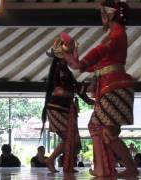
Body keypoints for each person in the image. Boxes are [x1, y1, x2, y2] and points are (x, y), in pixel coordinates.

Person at [64, 0, 138, 177]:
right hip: (110, 86)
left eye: (103, 14)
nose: (102, 18)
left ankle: (123, 168)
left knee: (104, 130)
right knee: (100, 128)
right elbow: (100, 61)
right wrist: (82, 64)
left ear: (109, 15)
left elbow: (102, 51)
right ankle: (103, 168)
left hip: (114, 87)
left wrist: (82, 63)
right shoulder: (114, 34)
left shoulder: (117, 34)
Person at [42, 32, 94, 173]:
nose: (72, 55)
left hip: (64, 108)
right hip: (58, 108)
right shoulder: (60, 68)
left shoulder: (64, 69)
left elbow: (74, 87)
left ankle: (68, 165)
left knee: (75, 142)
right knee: (68, 139)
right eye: (70, 52)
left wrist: (87, 99)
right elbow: (65, 89)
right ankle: (51, 159)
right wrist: (85, 91)